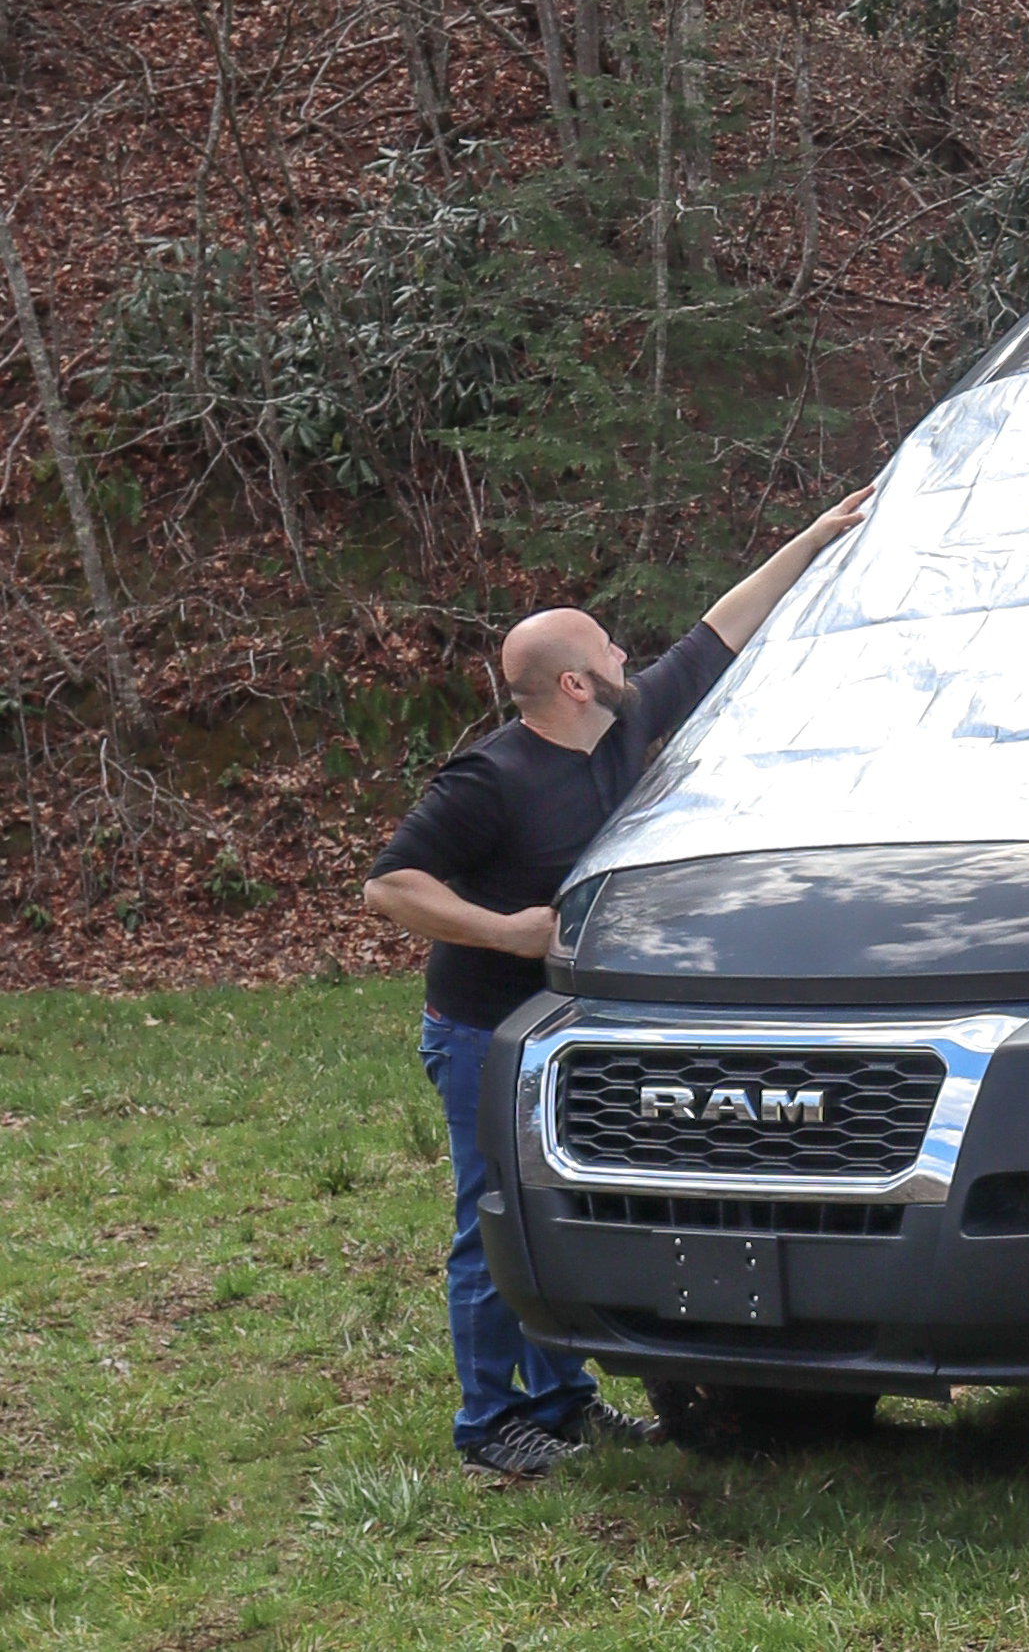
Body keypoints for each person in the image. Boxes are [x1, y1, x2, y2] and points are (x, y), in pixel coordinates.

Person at [363, 487, 873, 1479]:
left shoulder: (617, 733)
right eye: (607, 650)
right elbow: (389, 886)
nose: (626, 655)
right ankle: (488, 1425)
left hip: (565, 1028)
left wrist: (814, 538)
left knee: (553, 1212)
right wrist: (506, 931)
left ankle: (561, 1404)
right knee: (490, 1222)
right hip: (479, 1032)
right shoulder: (491, 780)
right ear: (574, 685)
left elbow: (716, 634)